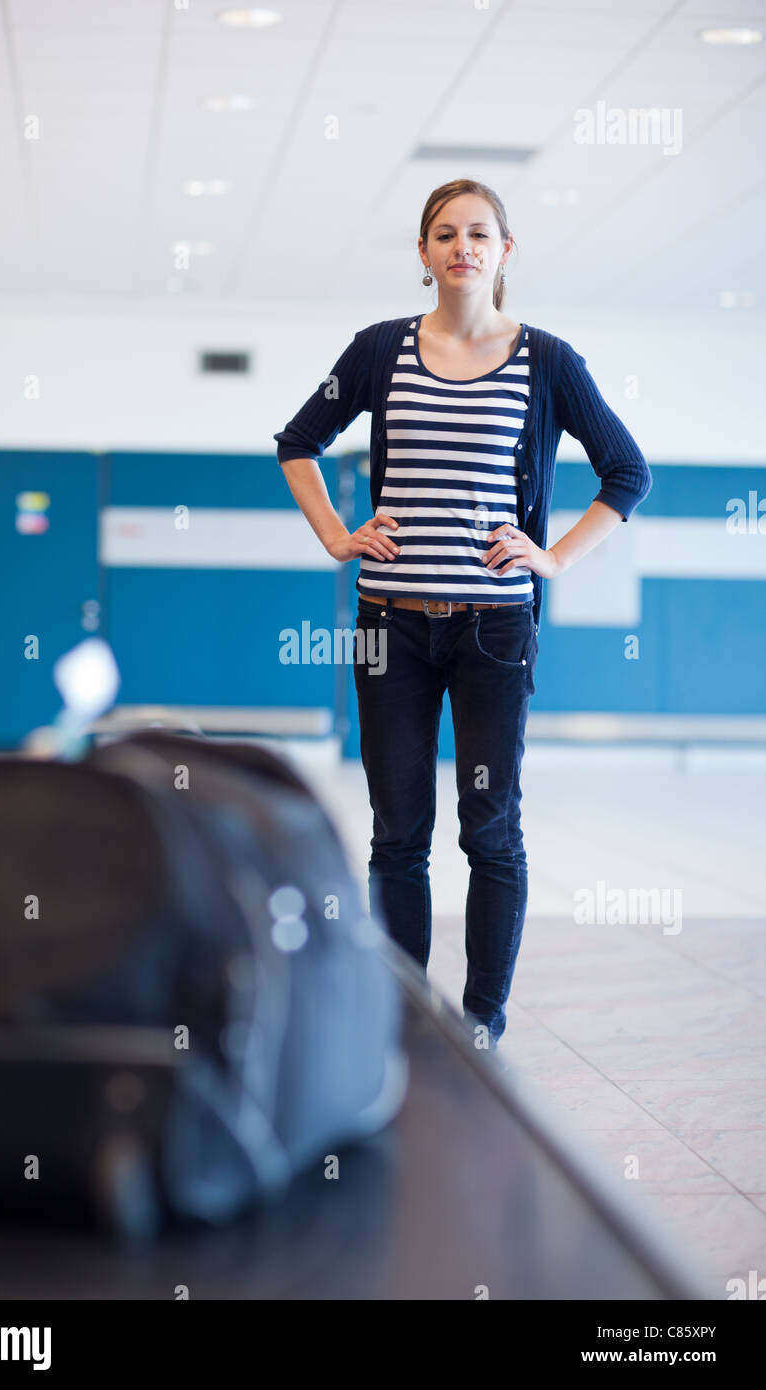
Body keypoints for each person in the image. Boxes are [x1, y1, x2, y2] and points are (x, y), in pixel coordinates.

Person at [273, 178, 651, 1051]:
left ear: (505, 251)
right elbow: (297, 443)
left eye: (479, 233)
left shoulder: (548, 361)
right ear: (423, 253)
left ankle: (481, 1024)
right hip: (390, 625)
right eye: (445, 233)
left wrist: (552, 556)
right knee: (398, 834)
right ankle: (402, 1022)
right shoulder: (379, 351)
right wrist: (337, 534)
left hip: (494, 630)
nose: (462, 247)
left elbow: (626, 471)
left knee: (490, 830)